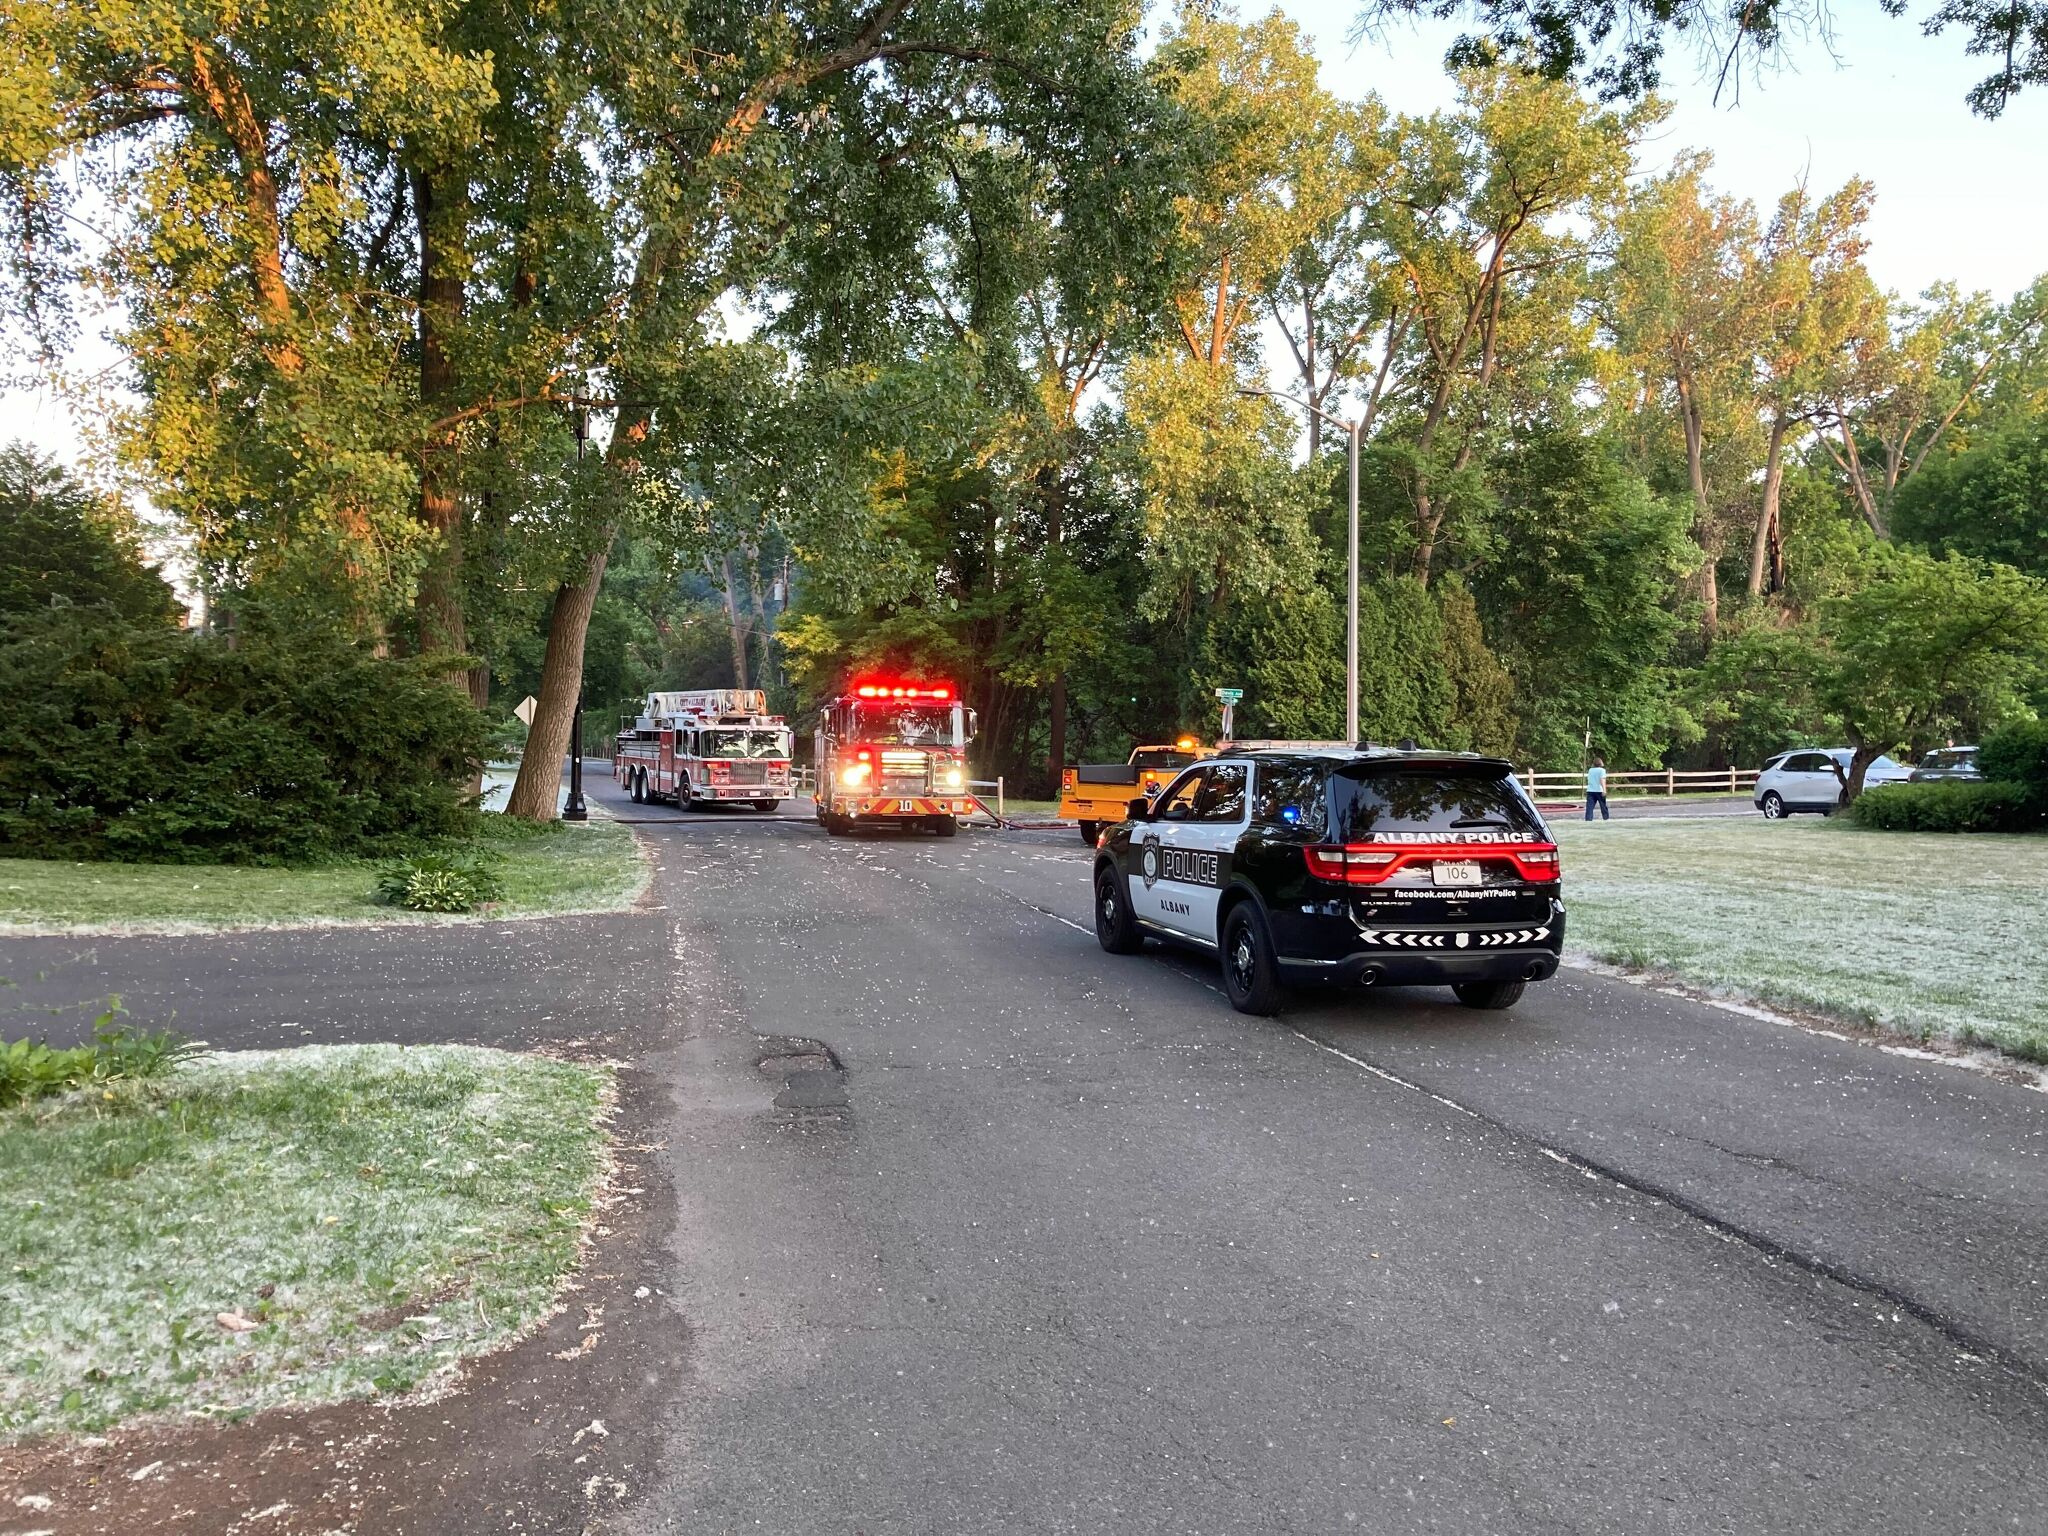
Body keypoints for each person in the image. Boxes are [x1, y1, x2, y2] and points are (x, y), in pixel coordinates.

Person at [1584, 755, 1609, 821]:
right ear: (1600, 763)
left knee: (1589, 807)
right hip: (1599, 790)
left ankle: (1588, 819)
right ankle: (1605, 818)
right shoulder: (1602, 770)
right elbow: (1602, 780)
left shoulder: (1590, 770)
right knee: (1603, 806)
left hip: (1590, 790)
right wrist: (1604, 790)